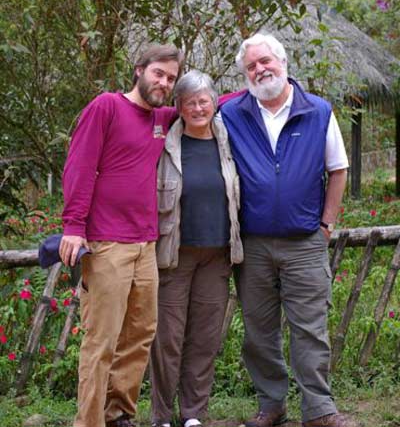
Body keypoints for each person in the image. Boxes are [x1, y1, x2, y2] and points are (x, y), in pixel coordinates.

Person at [219, 33, 351, 427]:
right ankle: (271, 405)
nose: (260, 70)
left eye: (266, 61)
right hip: (253, 244)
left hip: (306, 241)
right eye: (252, 66)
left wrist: (327, 223)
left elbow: (338, 169)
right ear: (245, 75)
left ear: (283, 62)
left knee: (310, 329)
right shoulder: (231, 113)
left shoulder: (319, 111)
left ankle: (320, 410)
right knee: (259, 333)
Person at [59, 44, 185, 427]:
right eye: (158, 74)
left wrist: (254, 86)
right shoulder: (106, 107)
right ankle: (90, 421)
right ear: (139, 70)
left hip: (146, 243)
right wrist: (73, 227)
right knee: (102, 342)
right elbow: (79, 166)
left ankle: (119, 415)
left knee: (140, 334)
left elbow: (207, 102)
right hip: (106, 243)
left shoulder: (163, 118)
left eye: (171, 78)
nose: (163, 82)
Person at [150, 70, 243, 427]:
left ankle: (193, 414)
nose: (199, 107)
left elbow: (245, 97)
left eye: (204, 100)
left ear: (214, 103)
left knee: (204, 338)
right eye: (190, 102)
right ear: (180, 107)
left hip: (217, 254)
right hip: (175, 255)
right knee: (167, 339)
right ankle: (160, 415)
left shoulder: (229, 140)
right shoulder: (166, 144)